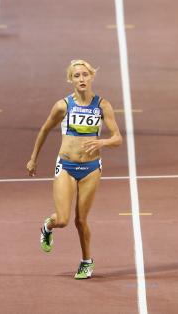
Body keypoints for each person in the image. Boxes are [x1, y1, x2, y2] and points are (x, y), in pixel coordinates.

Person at [26, 60, 122, 279]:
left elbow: (118, 138)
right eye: (77, 75)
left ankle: (86, 262)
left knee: (81, 220)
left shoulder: (102, 105)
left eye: (85, 75)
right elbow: (44, 130)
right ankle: (48, 226)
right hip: (67, 166)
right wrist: (33, 159)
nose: (81, 79)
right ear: (71, 79)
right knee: (63, 220)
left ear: (91, 77)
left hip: (90, 168)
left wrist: (102, 143)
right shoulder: (63, 105)